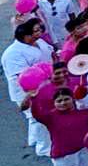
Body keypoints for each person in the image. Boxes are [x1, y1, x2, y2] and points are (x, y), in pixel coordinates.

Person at [4, 19, 55, 156]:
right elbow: (24, 76)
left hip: (46, 83)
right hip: (27, 90)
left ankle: (33, 139)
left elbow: (50, 53)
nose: (39, 33)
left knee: (34, 117)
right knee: (37, 117)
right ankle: (44, 147)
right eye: (35, 32)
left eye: (39, 30)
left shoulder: (39, 42)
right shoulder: (12, 54)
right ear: (25, 37)